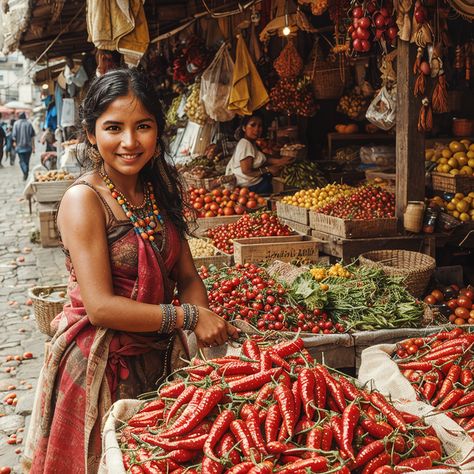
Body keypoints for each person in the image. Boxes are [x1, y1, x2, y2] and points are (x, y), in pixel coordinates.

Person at [23, 68, 239, 473]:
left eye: (142, 126)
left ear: (158, 132)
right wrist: (191, 317)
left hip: (158, 359)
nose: (129, 141)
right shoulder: (83, 200)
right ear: (91, 134)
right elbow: (101, 307)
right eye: (113, 128)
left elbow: (188, 276)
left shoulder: (158, 192)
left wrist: (209, 343)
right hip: (100, 367)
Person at [225, 112, 292, 194]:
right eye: (252, 125)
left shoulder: (252, 144)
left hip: (256, 185)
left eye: (260, 126)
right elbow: (246, 171)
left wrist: (279, 161)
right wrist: (268, 169)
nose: (257, 129)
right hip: (250, 189)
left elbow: (263, 157)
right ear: (244, 128)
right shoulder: (245, 144)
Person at [12, 112, 35, 180]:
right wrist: (33, 147)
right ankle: (26, 171)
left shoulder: (16, 124)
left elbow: (14, 136)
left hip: (19, 147)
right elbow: (32, 136)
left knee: (21, 161)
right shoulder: (29, 123)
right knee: (27, 161)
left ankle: (25, 172)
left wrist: (15, 143)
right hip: (28, 147)